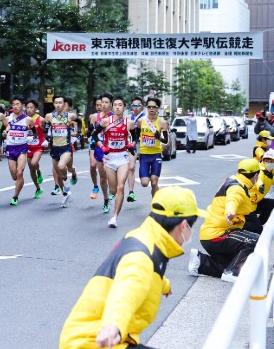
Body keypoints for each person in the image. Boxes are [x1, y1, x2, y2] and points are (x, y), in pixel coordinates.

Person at [60, 186, 206, 349]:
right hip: (92, 342)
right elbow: (126, 289)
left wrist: (164, 285)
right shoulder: (142, 256)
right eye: (192, 226)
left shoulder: (144, 238)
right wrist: (113, 324)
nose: (192, 231)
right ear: (183, 225)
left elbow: (141, 274)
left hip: (95, 339)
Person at [188, 158, 260, 283]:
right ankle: (233, 272)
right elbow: (233, 198)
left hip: (211, 235)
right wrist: (230, 212)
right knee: (255, 239)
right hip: (218, 235)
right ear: (256, 175)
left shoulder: (234, 180)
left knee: (231, 263)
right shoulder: (237, 188)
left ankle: (200, 261)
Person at [91, 96, 135, 228]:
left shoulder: (129, 123)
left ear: (124, 107)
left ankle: (115, 217)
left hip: (122, 157)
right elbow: (94, 135)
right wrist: (101, 146)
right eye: (115, 105)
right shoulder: (105, 122)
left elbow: (135, 137)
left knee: (121, 187)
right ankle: (111, 196)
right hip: (110, 158)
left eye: (120, 105)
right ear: (112, 107)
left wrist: (132, 144)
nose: (117, 107)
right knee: (114, 190)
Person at [45, 95, 78, 208]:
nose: (58, 105)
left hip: (66, 147)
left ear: (64, 104)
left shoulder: (69, 116)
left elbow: (75, 117)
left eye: (60, 103)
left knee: (61, 166)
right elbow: (45, 128)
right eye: (56, 103)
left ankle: (72, 174)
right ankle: (65, 194)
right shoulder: (49, 116)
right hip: (54, 148)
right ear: (53, 104)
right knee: (59, 175)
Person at [4, 95, 34, 206]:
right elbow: (6, 128)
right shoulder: (8, 118)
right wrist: (5, 132)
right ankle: (19, 182)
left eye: (17, 104)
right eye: (13, 104)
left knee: (20, 172)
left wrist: (31, 138)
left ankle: (15, 196)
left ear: (23, 105)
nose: (15, 106)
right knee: (14, 176)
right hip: (10, 147)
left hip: (22, 147)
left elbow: (34, 131)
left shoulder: (28, 120)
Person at [136, 97, 169, 197]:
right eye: (149, 107)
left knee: (154, 182)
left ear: (157, 108)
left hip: (156, 154)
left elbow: (166, 140)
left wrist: (159, 137)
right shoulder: (141, 121)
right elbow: (136, 137)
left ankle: (155, 202)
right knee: (145, 183)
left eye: (153, 107)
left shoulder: (162, 122)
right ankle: (150, 174)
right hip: (144, 154)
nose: (151, 109)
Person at [89, 93, 114, 212]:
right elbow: (91, 132)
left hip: (112, 148)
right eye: (102, 102)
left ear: (111, 104)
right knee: (103, 177)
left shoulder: (114, 117)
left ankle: (113, 189)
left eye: (106, 102)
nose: (103, 105)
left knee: (109, 173)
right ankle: (106, 199)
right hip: (99, 147)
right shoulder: (95, 117)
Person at [243, 149, 274, 234]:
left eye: (272, 161)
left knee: (271, 203)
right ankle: (240, 227)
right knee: (258, 229)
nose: (269, 162)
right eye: (267, 160)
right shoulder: (260, 170)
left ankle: (257, 223)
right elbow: (259, 179)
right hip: (249, 204)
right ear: (263, 160)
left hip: (257, 201)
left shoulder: (270, 172)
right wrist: (260, 185)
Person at [26, 100, 48, 199]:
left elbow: (47, 129)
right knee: (31, 168)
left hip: (39, 145)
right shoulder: (24, 119)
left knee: (34, 163)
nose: (29, 110)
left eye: (31, 107)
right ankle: (38, 188)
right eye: (28, 108)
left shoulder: (41, 119)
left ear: (35, 109)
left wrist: (46, 139)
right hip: (28, 146)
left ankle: (39, 172)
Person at [126, 96, 145, 202]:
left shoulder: (145, 118)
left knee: (144, 170)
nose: (136, 107)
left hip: (144, 145)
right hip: (132, 144)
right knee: (131, 167)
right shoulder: (128, 118)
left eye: (138, 105)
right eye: (134, 105)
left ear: (142, 107)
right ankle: (131, 192)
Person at [85, 96, 104, 199]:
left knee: (105, 170)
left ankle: (106, 186)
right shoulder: (93, 116)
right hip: (94, 143)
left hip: (106, 144)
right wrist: (90, 129)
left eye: (101, 105)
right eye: (97, 105)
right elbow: (88, 133)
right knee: (93, 165)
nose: (99, 107)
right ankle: (95, 186)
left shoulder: (110, 117)